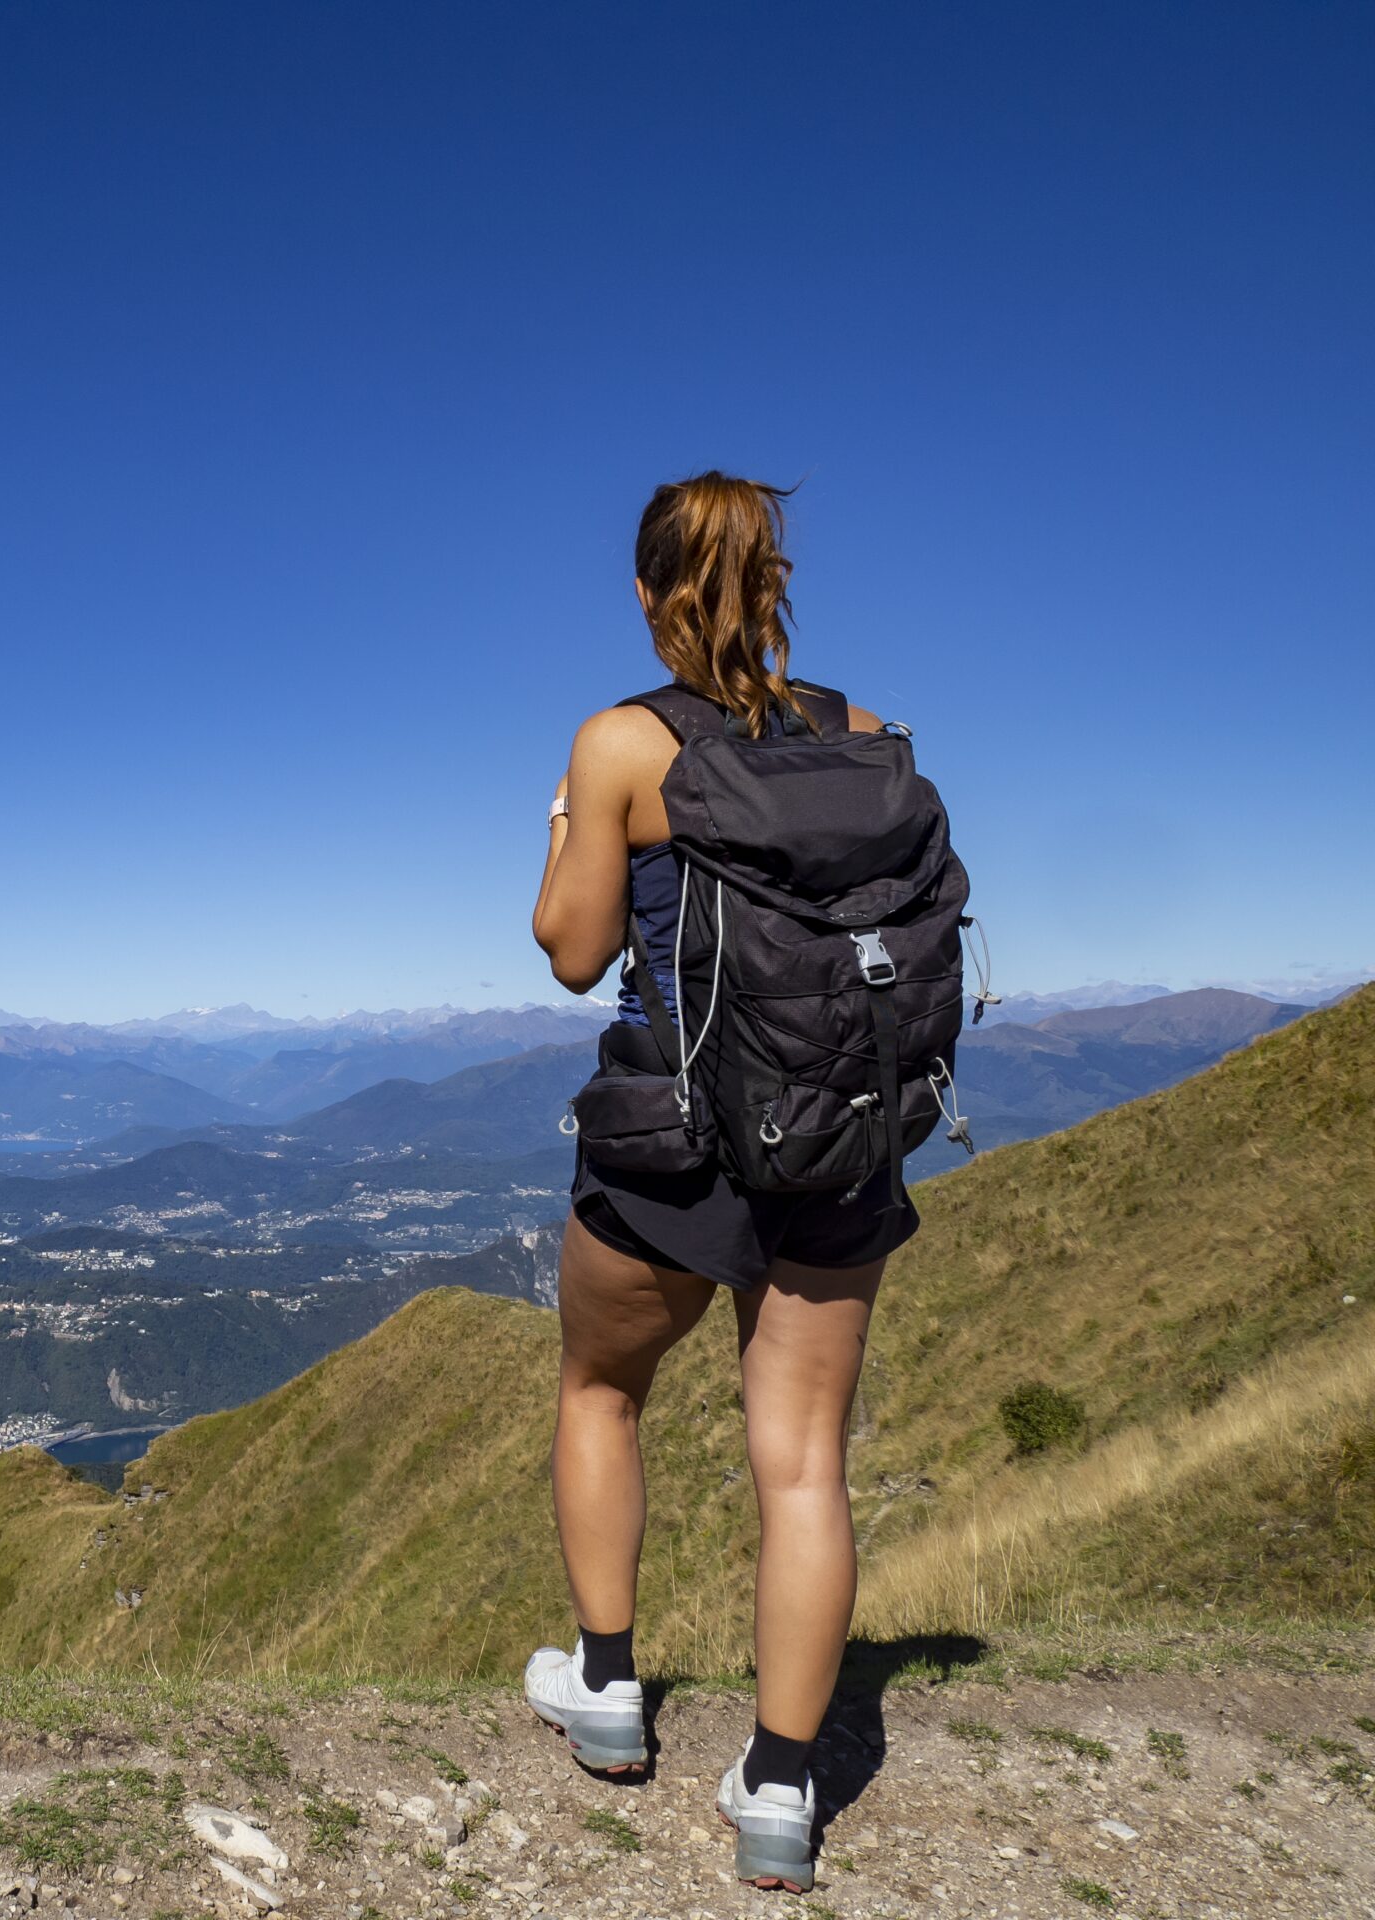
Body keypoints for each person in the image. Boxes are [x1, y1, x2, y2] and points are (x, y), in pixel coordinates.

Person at [522, 472, 917, 1897]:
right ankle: (781, 1790)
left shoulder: (623, 742)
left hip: (672, 1149)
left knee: (599, 1389)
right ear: (778, 584)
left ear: (646, 591)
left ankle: (610, 1690)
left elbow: (571, 954)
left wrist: (567, 820)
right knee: (803, 1462)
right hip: (838, 1144)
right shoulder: (863, 735)